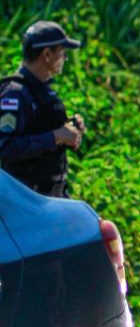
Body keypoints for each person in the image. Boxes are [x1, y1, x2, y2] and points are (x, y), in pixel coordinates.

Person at [0, 20, 85, 196]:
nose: (65, 59)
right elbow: (5, 147)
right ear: (46, 54)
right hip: (26, 200)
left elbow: (40, 128)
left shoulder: (43, 91)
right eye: (62, 54)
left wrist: (70, 130)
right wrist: (56, 136)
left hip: (51, 196)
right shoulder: (14, 94)